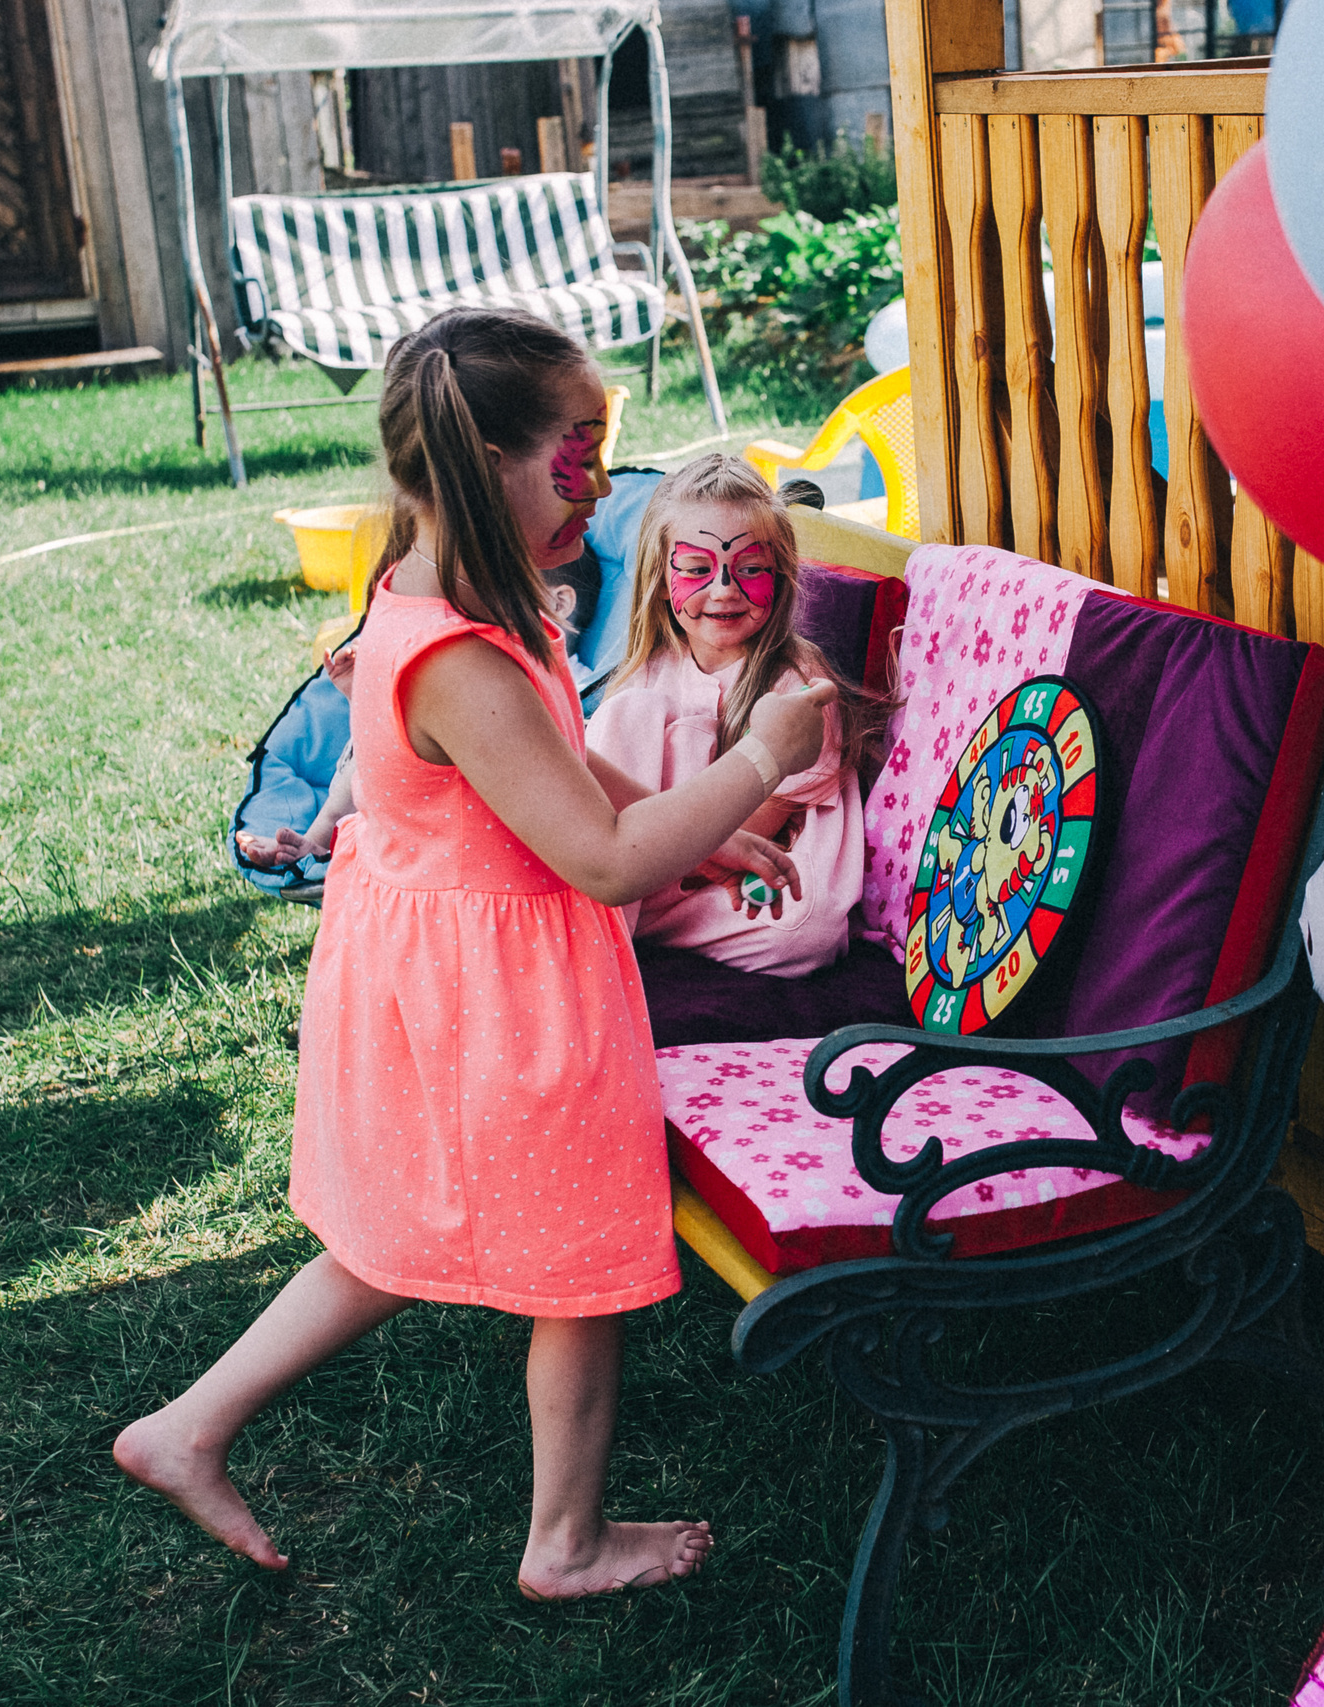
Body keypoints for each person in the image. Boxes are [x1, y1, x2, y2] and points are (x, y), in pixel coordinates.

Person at [115, 307, 830, 1599]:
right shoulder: (457, 658)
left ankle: (187, 1426)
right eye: (579, 453)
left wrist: (710, 836)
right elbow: (603, 858)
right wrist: (756, 765)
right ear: (486, 463)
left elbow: (561, 758)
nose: (600, 487)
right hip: (504, 998)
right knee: (586, 1259)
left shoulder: (447, 585)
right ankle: (565, 1541)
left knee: (397, 1234)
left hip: (444, 978)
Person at [584, 455, 878, 977]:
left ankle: (625, 924)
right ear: (660, 578)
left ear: (779, 576)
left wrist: (653, 871)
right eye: (697, 569)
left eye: (750, 569)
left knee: (804, 927)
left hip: (730, 868)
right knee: (631, 710)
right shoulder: (644, 679)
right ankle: (615, 917)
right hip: (637, 860)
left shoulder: (799, 687)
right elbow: (603, 807)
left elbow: (746, 835)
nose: (724, 589)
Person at [236, 542, 604, 871]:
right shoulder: (477, 661)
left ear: (559, 603)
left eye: (498, 589)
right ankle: (314, 843)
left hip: (486, 807)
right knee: (378, 744)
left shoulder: (577, 684)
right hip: (421, 780)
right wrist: (361, 696)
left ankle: (325, 846)